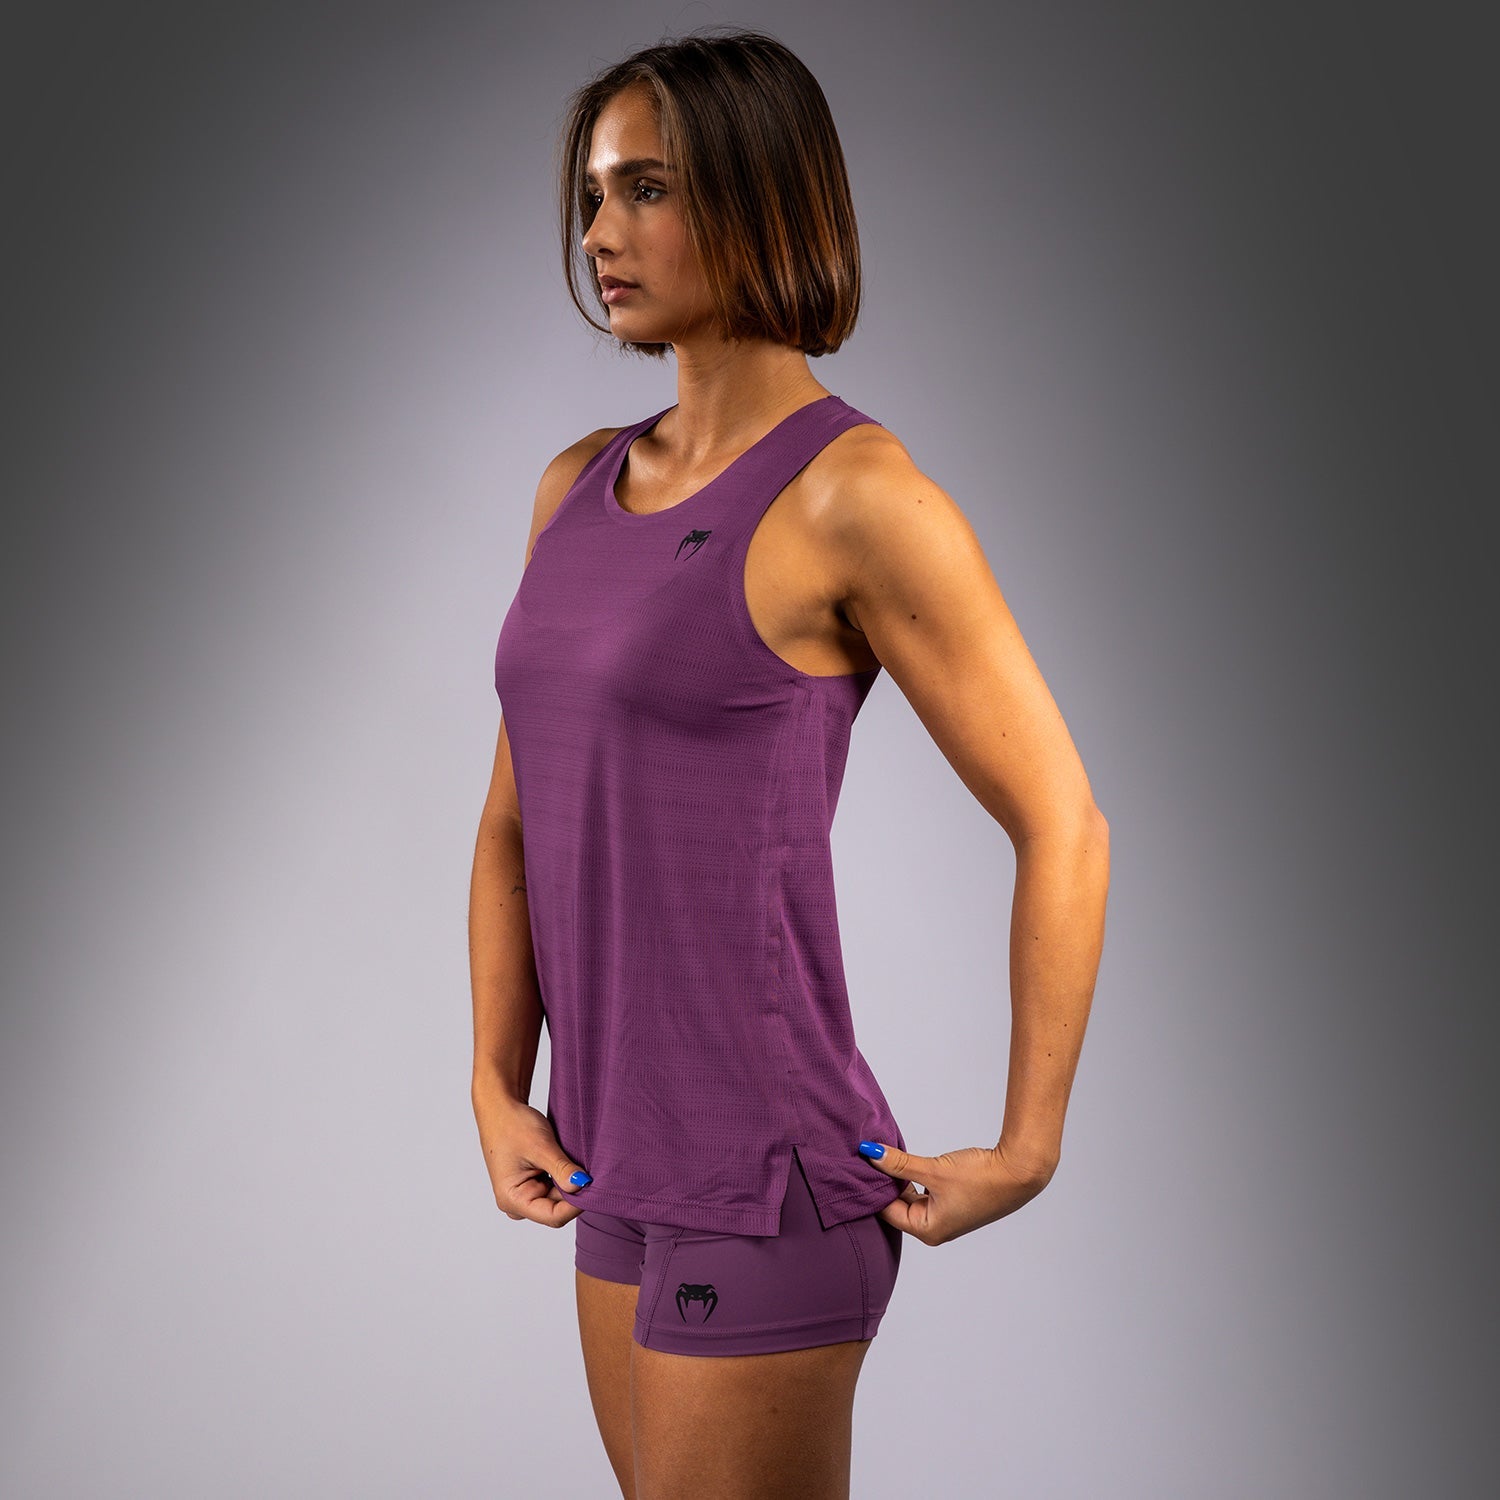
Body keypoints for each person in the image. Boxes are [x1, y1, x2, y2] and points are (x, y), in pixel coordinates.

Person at [470, 26, 1110, 1500]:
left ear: (759, 199)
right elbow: (511, 825)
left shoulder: (855, 498)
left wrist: (1027, 1147)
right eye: (591, 195)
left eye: (647, 190)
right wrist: (498, 1084)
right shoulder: (574, 487)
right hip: (617, 1166)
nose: (599, 234)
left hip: (767, 1179)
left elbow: (1062, 821)